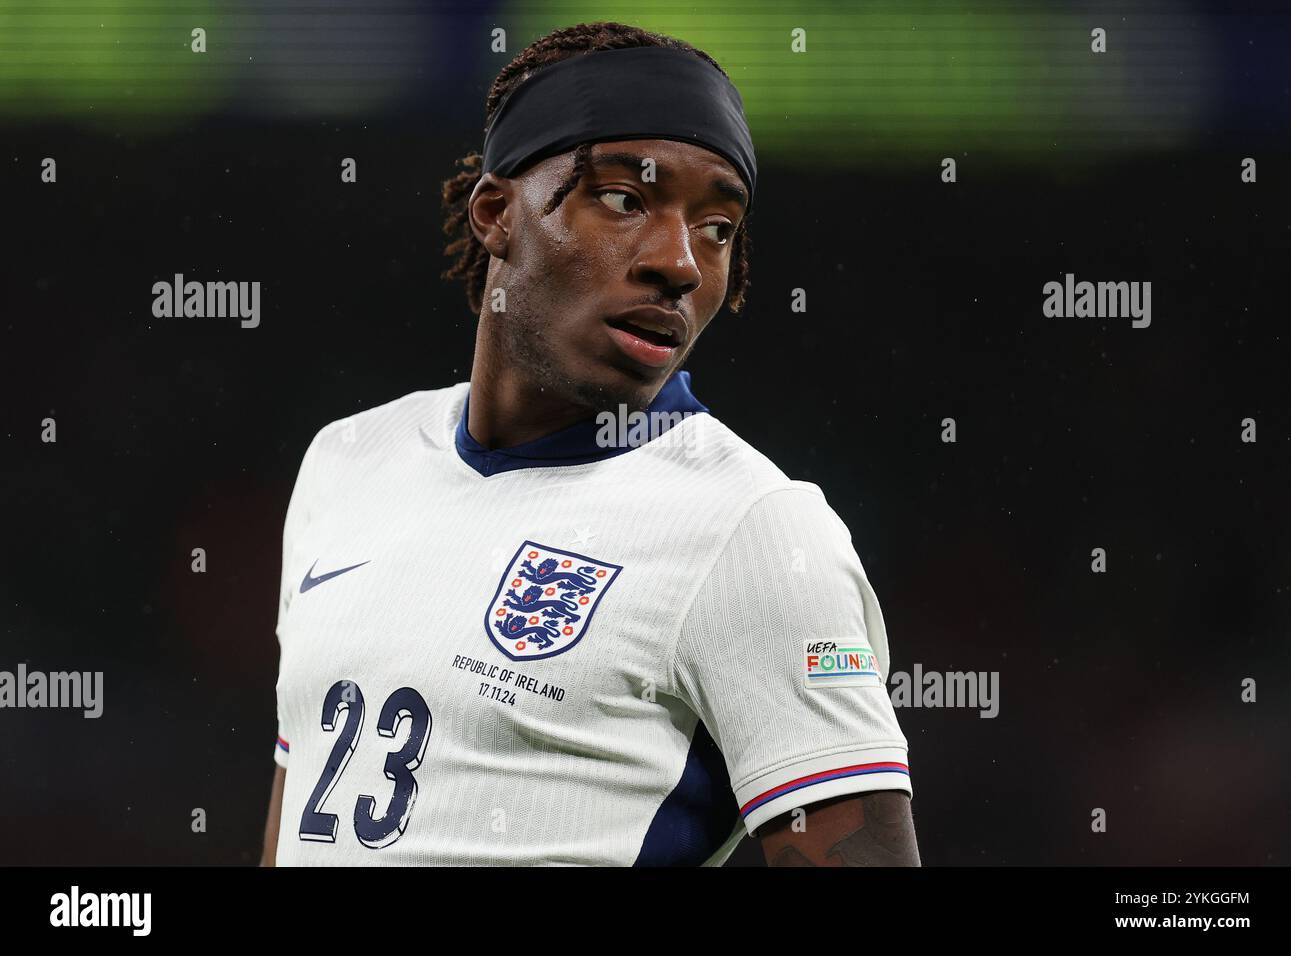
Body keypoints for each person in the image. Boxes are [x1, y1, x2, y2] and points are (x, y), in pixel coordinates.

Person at [261, 21, 918, 867]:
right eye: (625, 199)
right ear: (498, 215)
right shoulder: (347, 461)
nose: (680, 262)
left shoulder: (756, 532)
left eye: (718, 226)